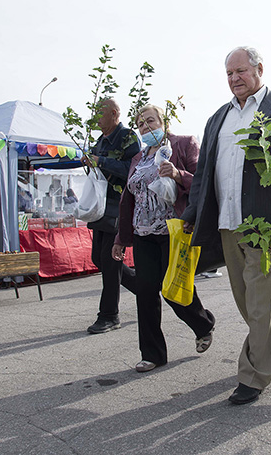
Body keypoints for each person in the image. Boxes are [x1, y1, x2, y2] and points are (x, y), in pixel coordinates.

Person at [181, 46, 271, 405]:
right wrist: (192, 213)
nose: (234, 79)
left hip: (269, 226)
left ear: (259, 69)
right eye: (229, 74)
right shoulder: (218, 118)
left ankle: (253, 376)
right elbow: (203, 173)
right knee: (246, 300)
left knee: (259, 303)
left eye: (240, 71)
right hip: (227, 223)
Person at [111, 104, 215, 373]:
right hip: (143, 233)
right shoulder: (138, 157)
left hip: (174, 230)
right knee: (145, 292)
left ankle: (203, 324)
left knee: (173, 289)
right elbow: (128, 198)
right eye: (140, 124)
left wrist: (178, 174)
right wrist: (121, 238)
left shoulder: (182, 144)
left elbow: (203, 183)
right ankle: (152, 354)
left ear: (163, 121)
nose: (145, 127)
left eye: (150, 121)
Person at [82, 98, 140, 334]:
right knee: (99, 258)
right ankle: (142, 286)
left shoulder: (128, 137)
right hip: (100, 206)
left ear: (115, 113)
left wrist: (102, 161)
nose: (96, 118)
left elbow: (132, 170)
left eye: (100, 113)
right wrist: (90, 162)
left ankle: (109, 315)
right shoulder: (100, 141)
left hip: (119, 206)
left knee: (110, 260)